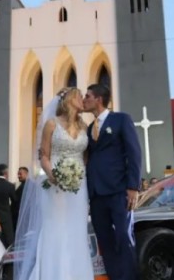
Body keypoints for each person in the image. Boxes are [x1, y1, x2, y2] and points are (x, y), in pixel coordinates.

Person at [13, 87, 94, 280]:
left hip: (78, 186)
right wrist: (54, 175)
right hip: (54, 185)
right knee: (56, 228)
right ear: (68, 100)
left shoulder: (84, 127)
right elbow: (44, 156)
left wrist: (78, 176)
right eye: (79, 96)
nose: (83, 99)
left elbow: (85, 158)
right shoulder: (51, 124)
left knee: (77, 229)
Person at [84, 84, 142, 280]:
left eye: (88, 96)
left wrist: (133, 186)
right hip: (96, 195)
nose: (85, 99)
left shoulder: (121, 120)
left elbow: (134, 152)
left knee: (123, 238)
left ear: (98, 99)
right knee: (105, 241)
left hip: (119, 191)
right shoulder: (90, 128)